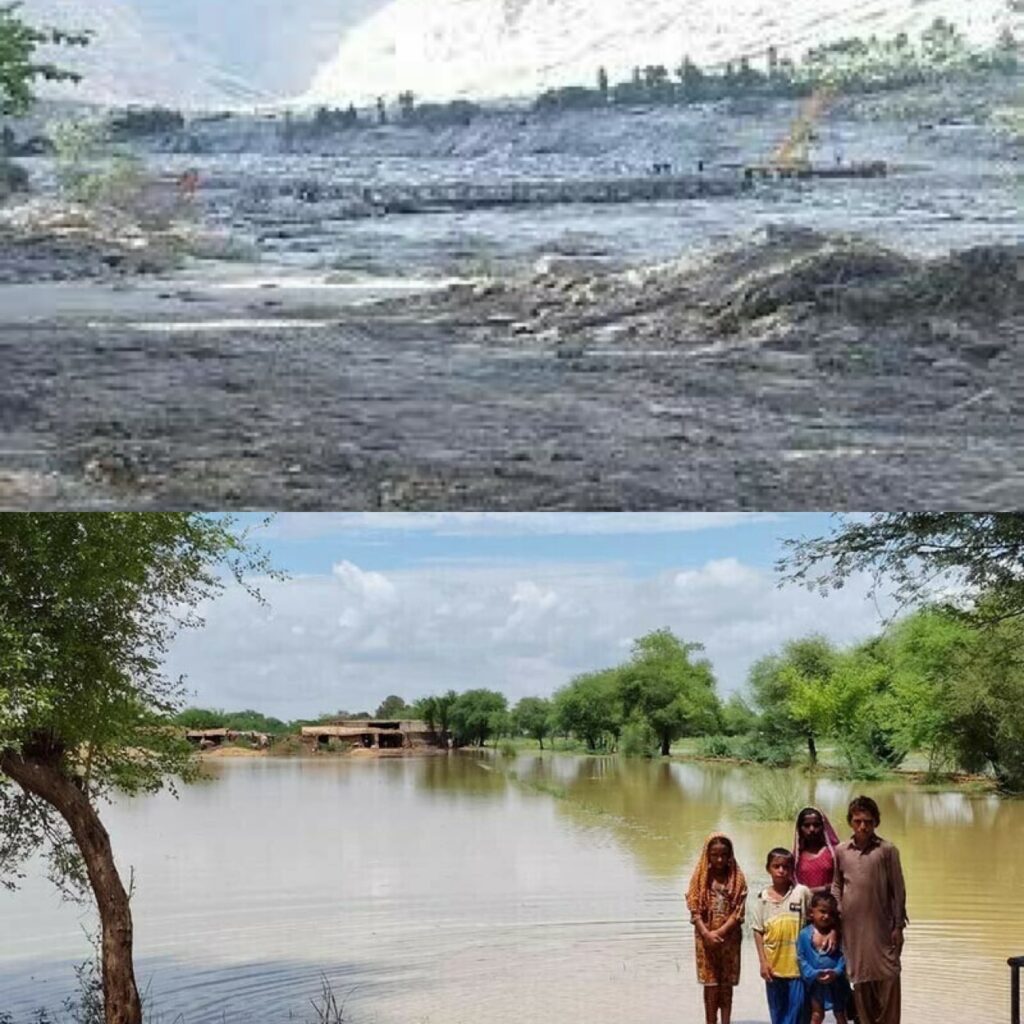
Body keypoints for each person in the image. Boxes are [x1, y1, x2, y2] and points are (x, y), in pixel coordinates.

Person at [832, 795, 908, 1024]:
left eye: (868, 821)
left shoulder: (887, 850)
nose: (863, 826)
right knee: (861, 984)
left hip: (883, 930)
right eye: (857, 821)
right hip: (853, 931)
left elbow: (898, 890)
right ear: (850, 822)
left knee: (889, 978)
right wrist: (837, 914)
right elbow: (837, 884)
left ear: (876, 822)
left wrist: (898, 926)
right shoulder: (841, 851)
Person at [686, 832, 747, 1024]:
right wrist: (706, 933)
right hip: (705, 939)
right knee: (711, 985)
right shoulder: (700, 878)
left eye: (724, 854)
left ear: (730, 855)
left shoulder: (736, 878)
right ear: (708, 855)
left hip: (729, 938)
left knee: (726, 986)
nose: (719, 859)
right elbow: (694, 909)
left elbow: (738, 912)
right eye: (715, 855)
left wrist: (720, 932)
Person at [751, 848, 812, 1024]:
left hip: (798, 967)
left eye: (785, 867)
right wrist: (763, 962)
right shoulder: (762, 898)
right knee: (777, 1013)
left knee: (798, 1013)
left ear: (792, 869)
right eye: (776, 866)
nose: (781, 871)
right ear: (768, 868)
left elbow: (812, 923)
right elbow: (758, 931)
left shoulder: (802, 893)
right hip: (773, 967)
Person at [798, 891, 851, 1024]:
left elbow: (845, 956)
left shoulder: (837, 935)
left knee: (840, 1014)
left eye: (831, 913)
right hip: (816, 983)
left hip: (837, 982)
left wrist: (837, 971)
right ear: (811, 913)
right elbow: (801, 958)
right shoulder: (805, 935)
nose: (826, 916)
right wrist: (813, 974)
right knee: (817, 1015)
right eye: (822, 911)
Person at [792, 806, 840, 894]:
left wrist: (818, 890)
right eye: (806, 825)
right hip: (803, 904)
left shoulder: (834, 853)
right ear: (799, 829)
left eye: (816, 825)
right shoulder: (795, 859)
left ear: (823, 827)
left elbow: (845, 881)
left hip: (829, 904)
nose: (812, 829)